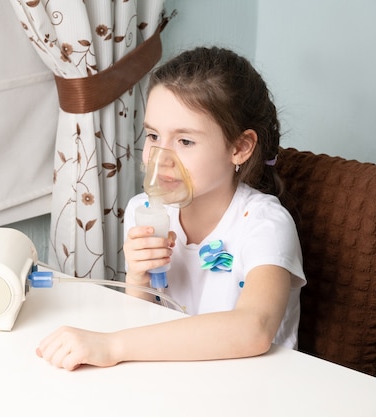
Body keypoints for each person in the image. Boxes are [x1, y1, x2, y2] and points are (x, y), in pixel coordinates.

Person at [36, 46, 306, 371]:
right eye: (152, 135)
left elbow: (254, 329)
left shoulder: (264, 225)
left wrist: (110, 344)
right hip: (173, 381)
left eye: (185, 141)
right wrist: (138, 277)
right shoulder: (144, 210)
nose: (160, 159)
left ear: (239, 147)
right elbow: (141, 326)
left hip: (251, 388)